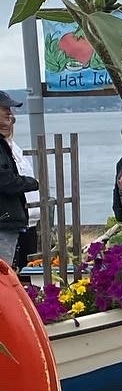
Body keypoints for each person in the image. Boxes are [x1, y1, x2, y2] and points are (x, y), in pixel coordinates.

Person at [0, 91, 39, 267]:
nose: (10, 113)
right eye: (5, 108)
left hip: (18, 219)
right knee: (4, 274)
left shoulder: (8, 146)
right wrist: (31, 183)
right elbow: (5, 180)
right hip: (4, 220)